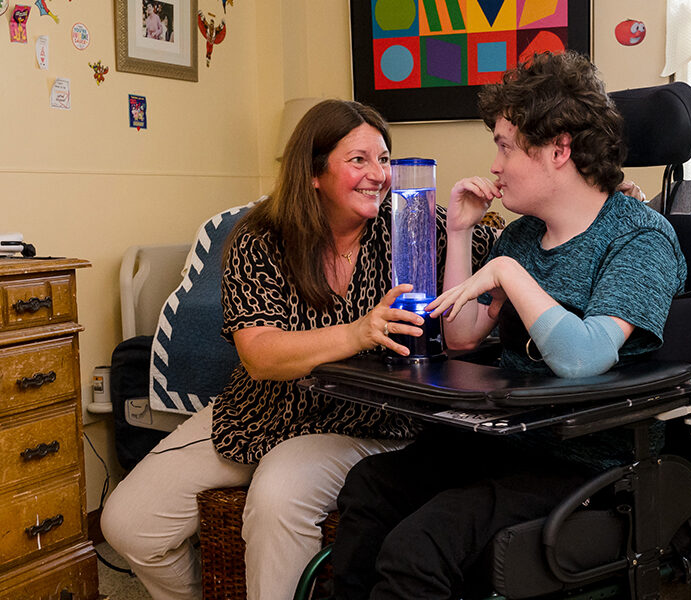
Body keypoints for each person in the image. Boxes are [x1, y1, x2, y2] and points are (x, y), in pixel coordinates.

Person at [100, 99, 496, 600]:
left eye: (383, 159)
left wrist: (611, 201)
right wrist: (358, 331)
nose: (379, 174)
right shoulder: (261, 238)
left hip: (372, 423)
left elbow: (493, 252)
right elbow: (260, 355)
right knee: (128, 524)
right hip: (262, 411)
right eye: (359, 160)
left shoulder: (413, 223)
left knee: (278, 497)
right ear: (313, 173)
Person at [331, 51, 687, 600]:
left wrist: (505, 270)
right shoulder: (522, 235)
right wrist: (458, 234)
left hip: (586, 461)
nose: (493, 164)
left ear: (558, 149)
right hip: (508, 439)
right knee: (369, 488)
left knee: (419, 546)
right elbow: (462, 336)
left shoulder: (640, 239)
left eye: (504, 144)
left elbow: (584, 358)